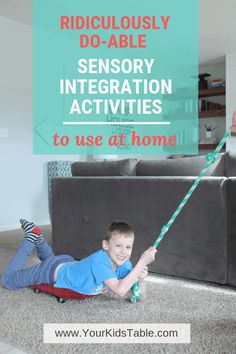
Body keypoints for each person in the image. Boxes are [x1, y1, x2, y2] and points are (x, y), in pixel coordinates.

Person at [1, 219, 157, 302]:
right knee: (8, 280)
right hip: (50, 271)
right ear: (105, 245)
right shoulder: (100, 261)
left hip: (68, 264)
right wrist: (142, 262)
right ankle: (31, 238)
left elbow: (140, 298)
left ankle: (39, 239)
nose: (123, 252)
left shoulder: (125, 265)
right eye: (118, 246)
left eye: (128, 247)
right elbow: (120, 290)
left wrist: (140, 280)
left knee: (50, 259)